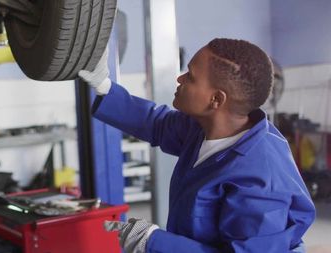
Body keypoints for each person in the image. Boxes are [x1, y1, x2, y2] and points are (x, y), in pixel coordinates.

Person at [78, 38, 316, 253]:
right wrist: (104, 86)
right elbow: (157, 123)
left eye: (190, 76)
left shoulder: (262, 182)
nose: (179, 79)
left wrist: (153, 241)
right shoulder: (204, 128)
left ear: (216, 99)